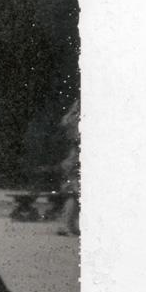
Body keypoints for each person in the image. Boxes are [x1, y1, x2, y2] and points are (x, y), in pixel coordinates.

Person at [57, 96, 80, 237]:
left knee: (73, 192)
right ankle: (68, 225)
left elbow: (64, 125)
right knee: (76, 193)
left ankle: (68, 225)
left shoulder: (71, 118)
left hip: (73, 156)